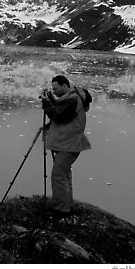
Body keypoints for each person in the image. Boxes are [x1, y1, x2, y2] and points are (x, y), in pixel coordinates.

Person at [41, 74, 91, 217]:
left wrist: (46, 104)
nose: (55, 91)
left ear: (64, 86)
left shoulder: (72, 99)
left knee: (58, 175)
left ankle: (61, 208)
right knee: (64, 173)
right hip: (68, 142)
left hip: (69, 143)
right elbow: (61, 108)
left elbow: (59, 116)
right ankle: (65, 203)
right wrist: (50, 98)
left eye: (56, 89)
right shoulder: (72, 97)